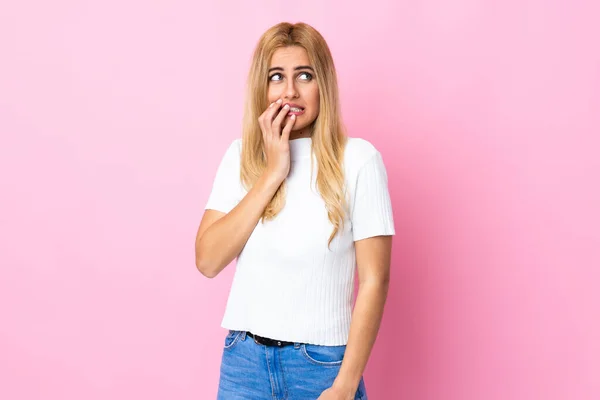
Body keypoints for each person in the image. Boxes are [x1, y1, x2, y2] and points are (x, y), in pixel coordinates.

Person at [195, 22, 395, 400]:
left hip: (321, 367)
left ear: (324, 85)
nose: (290, 91)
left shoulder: (359, 161)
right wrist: (272, 173)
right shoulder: (240, 158)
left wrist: (345, 385)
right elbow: (208, 260)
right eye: (276, 77)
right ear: (262, 88)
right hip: (244, 364)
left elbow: (374, 281)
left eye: (304, 75)